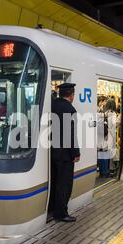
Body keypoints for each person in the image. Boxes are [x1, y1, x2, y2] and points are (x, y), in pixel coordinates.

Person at [50, 83, 80, 222]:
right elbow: (70, 134)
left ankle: (51, 208)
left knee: (55, 181)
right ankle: (61, 213)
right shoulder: (70, 109)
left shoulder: (52, 105)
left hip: (53, 151)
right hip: (65, 154)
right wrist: (75, 152)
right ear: (71, 95)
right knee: (64, 184)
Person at [97, 99, 117, 178]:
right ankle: (105, 173)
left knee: (101, 154)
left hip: (101, 136)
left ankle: (101, 172)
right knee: (105, 155)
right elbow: (113, 125)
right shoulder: (113, 114)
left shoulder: (104, 113)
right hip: (108, 137)